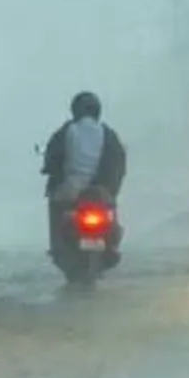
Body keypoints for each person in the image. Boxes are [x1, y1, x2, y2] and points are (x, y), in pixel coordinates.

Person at [40, 92, 127, 256]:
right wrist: (110, 189)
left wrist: (49, 169)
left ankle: (58, 245)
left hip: (71, 188)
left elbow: (52, 156)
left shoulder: (67, 130)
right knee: (110, 207)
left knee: (55, 202)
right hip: (100, 190)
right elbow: (119, 162)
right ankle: (112, 245)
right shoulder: (108, 133)